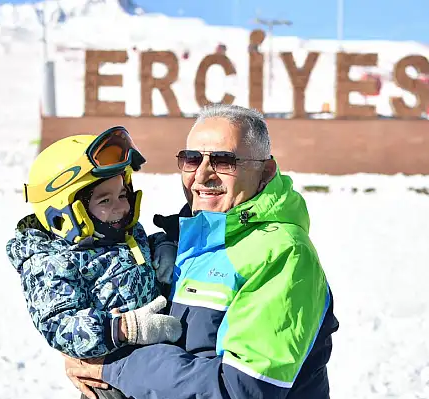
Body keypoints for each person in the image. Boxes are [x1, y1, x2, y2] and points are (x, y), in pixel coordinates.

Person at [64, 104, 340, 399]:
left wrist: (112, 366)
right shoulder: (179, 241)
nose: (202, 174)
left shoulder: (283, 253)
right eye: (192, 159)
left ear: (265, 171)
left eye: (224, 161)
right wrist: (91, 344)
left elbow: (239, 390)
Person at [6, 127, 182, 399]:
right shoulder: (50, 263)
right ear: (64, 211)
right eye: (105, 200)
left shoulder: (120, 231)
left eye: (122, 195)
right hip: (108, 383)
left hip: (154, 367)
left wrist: (163, 246)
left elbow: (142, 245)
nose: (120, 207)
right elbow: (59, 325)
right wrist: (125, 328)